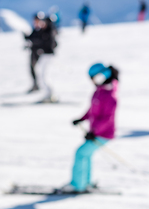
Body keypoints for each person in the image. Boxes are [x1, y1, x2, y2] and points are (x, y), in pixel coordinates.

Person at [62, 64, 119, 193]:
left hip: (104, 134)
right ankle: (85, 182)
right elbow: (93, 110)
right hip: (97, 133)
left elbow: (107, 119)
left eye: (93, 78)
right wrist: (82, 118)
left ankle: (78, 185)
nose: (92, 81)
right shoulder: (100, 91)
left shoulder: (110, 96)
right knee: (85, 154)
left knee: (81, 153)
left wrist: (94, 132)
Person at [24, 12, 57, 100]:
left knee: (43, 76)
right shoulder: (42, 31)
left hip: (47, 55)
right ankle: (48, 94)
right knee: (41, 75)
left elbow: (45, 43)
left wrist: (35, 45)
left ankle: (50, 94)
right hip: (44, 55)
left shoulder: (48, 31)